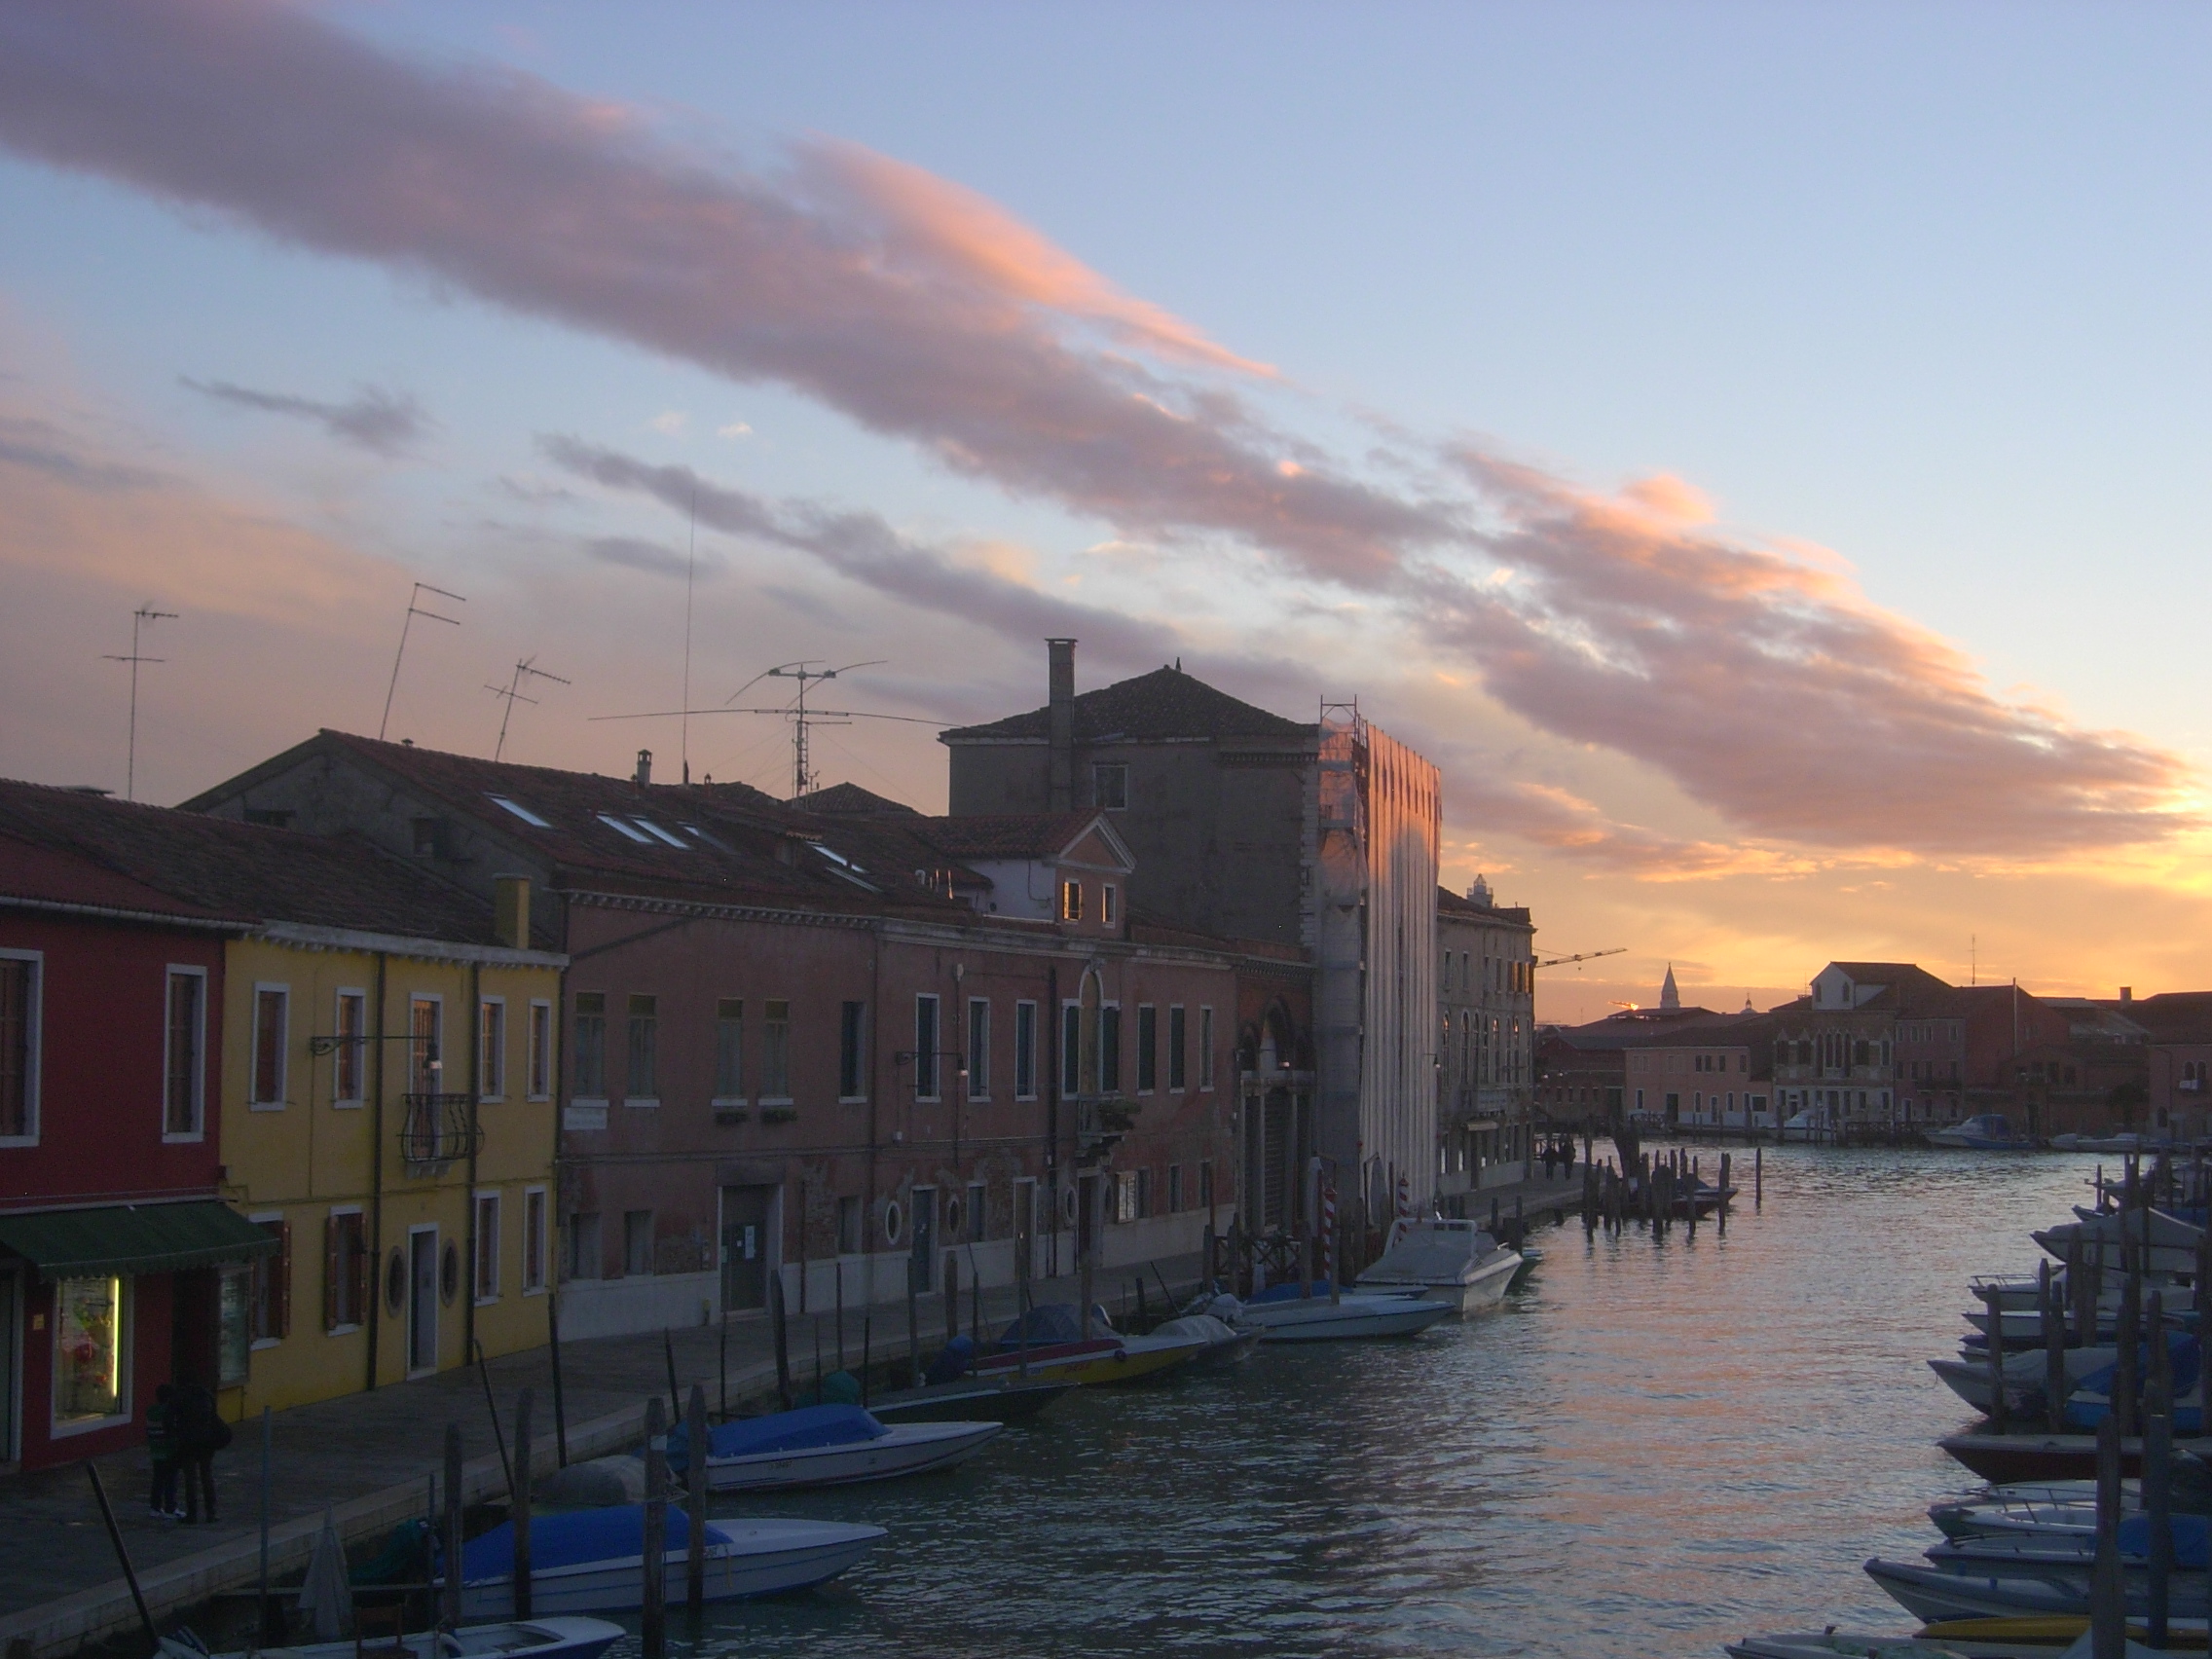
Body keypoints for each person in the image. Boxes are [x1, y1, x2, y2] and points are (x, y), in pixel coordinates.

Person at [171, 1377, 228, 1524]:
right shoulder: (207, 1396)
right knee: (206, 1475)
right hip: (207, 1441)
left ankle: (192, 1514)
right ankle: (211, 1512)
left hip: (188, 1441)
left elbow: (169, 1419)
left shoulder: (180, 1397)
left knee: (190, 1478)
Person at [146, 1383, 180, 1519]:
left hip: (155, 1450)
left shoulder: (151, 1411)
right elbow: (172, 1431)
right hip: (168, 1450)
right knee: (171, 1480)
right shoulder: (169, 1411)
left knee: (158, 1480)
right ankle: (170, 1508)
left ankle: (155, 1507)